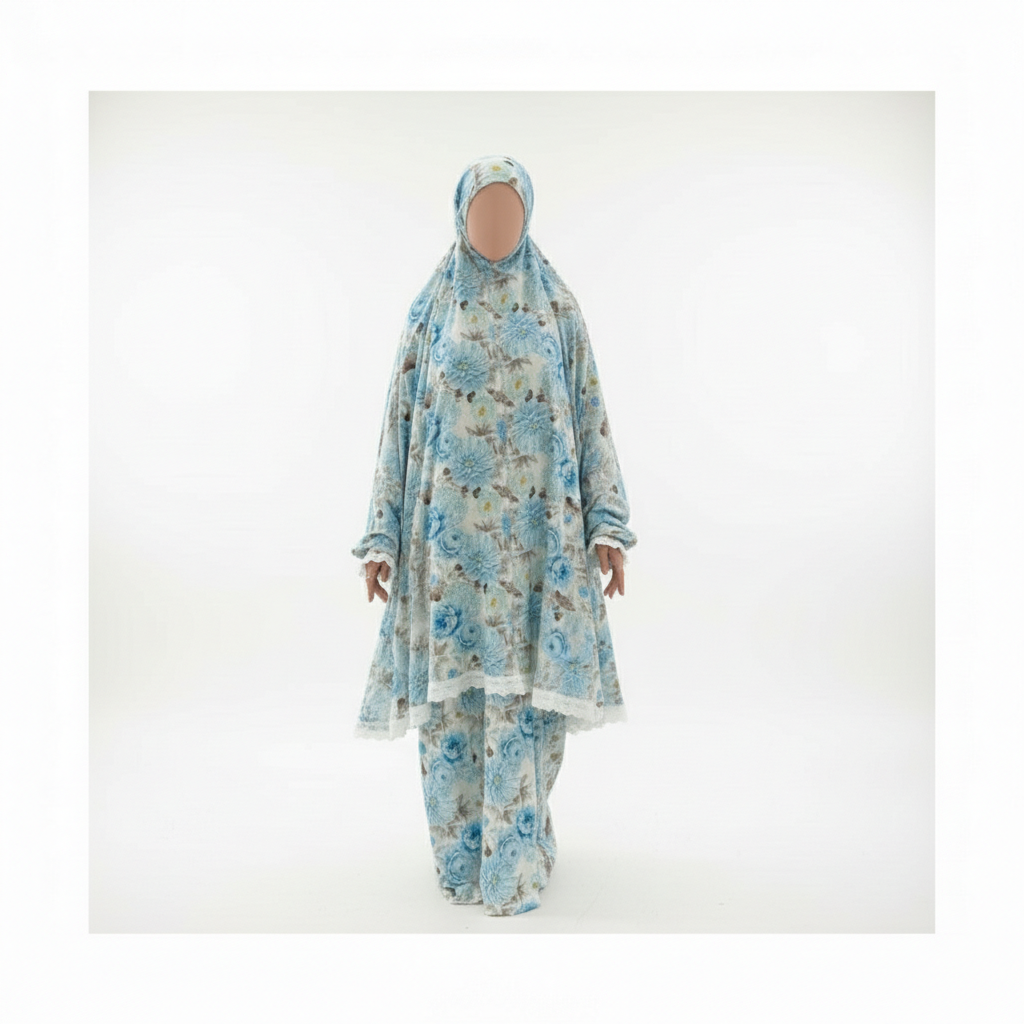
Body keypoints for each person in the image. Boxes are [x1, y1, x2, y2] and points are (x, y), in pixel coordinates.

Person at [351, 154, 637, 916]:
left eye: (510, 212)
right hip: (447, 554)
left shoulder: (557, 310)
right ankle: (458, 852)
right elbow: (398, 423)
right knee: (452, 710)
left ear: (530, 216)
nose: (497, 226)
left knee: (524, 704)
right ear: (460, 217)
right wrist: (382, 536)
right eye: (484, 212)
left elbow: (589, 413)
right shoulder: (431, 313)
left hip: (535, 553)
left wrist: (606, 525)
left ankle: (515, 855)